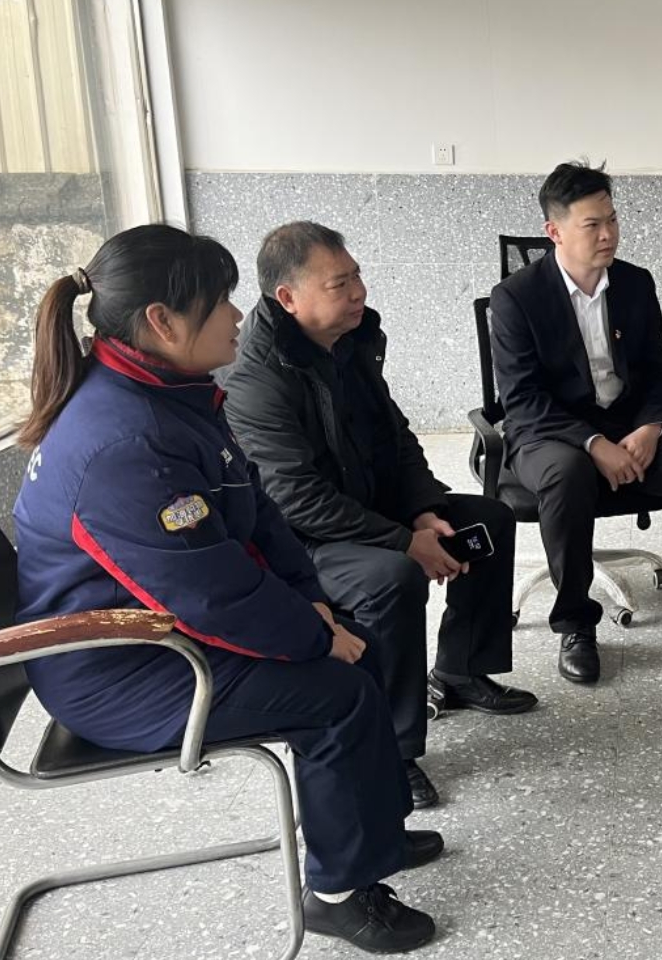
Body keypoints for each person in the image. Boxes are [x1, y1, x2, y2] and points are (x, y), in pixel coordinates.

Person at [12, 224, 441, 952]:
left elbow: (255, 511)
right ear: (162, 321)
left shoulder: (168, 396)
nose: (238, 315)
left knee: (355, 643)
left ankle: (373, 835)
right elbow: (205, 593)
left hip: (160, 627)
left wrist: (312, 601)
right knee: (335, 695)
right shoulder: (125, 442)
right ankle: (340, 893)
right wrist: (310, 634)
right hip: (120, 665)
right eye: (219, 302)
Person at [225, 222, 534, 810]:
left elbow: (396, 437)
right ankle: (393, 748)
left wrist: (422, 511)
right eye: (339, 284)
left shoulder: (352, 339)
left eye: (357, 276)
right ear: (288, 298)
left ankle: (462, 672)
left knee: (487, 521)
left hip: (367, 505)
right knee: (390, 579)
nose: (358, 292)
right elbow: (294, 498)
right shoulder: (255, 377)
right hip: (302, 539)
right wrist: (403, 542)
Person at [489, 160, 662, 684]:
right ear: (554, 231)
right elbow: (522, 399)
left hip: (631, 426)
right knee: (567, 473)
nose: (608, 235)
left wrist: (651, 427)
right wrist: (592, 441)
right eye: (592, 225)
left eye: (612, 220)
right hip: (549, 433)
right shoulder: (516, 298)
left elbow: (658, 370)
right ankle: (576, 625)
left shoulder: (634, 283)